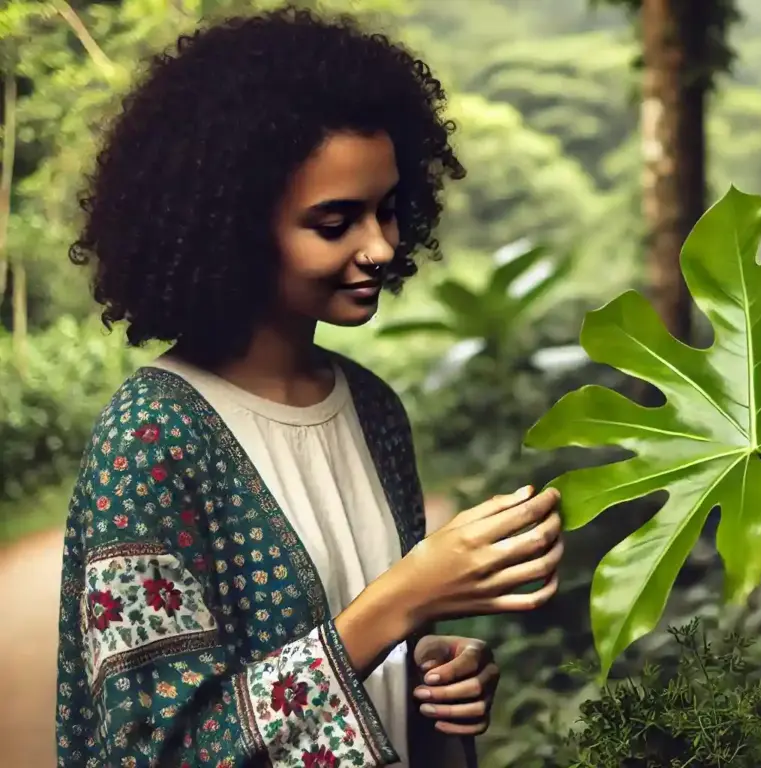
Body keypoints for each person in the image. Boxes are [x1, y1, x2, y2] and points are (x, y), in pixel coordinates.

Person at [53, 8, 564, 768]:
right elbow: (161, 750)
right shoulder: (151, 439)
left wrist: (434, 672)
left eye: (388, 210)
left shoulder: (373, 409)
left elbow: (374, 655)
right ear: (232, 228)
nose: (380, 246)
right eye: (335, 223)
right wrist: (403, 598)